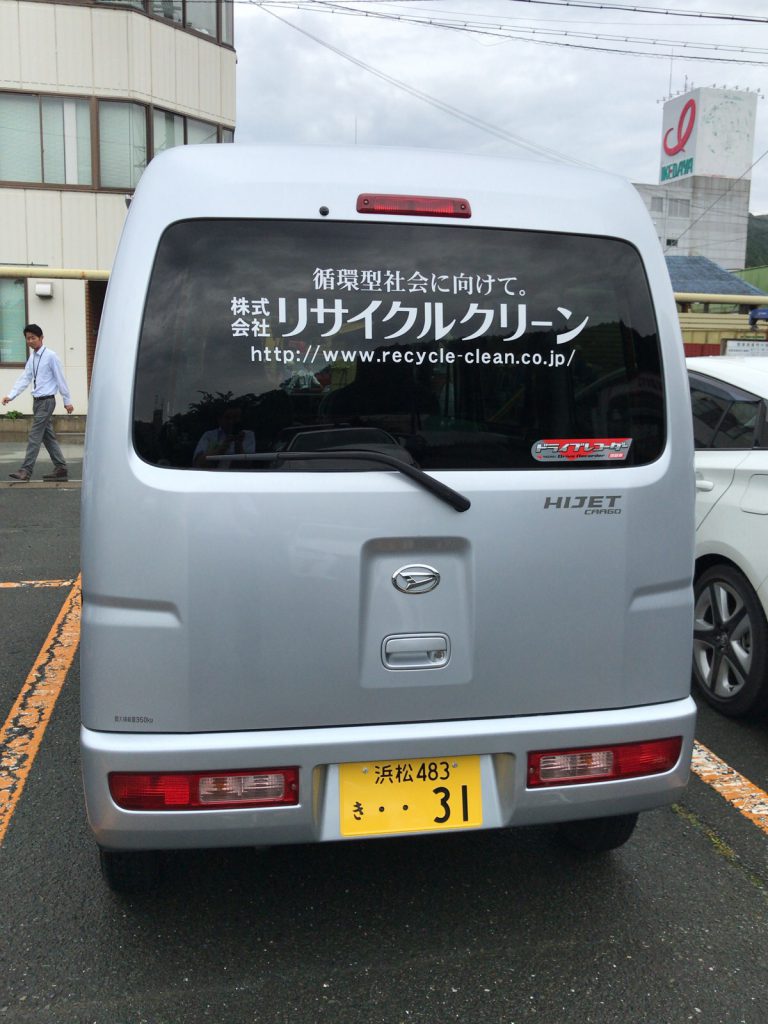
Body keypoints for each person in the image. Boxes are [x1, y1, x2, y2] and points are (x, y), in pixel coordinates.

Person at [2, 324, 74, 482]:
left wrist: (67, 400)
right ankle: (61, 468)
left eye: (33, 338)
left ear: (41, 338)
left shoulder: (51, 356)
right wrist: (11, 395)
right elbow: (25, 378)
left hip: (47, 401)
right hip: (37, 402)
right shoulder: (33, 358)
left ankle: (25, 470)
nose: (30, 341)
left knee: (35, 435)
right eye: (27, 338)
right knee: (48, 437)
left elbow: (60, 379)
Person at [192, 404, 256, 469]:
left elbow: (247, 466)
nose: (231, 421)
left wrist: (238, 445)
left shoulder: (248, 435)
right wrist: (221, 448)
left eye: (235, 417)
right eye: (227, 418)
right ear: (219, 419)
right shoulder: (209, 435)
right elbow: (197, 463)